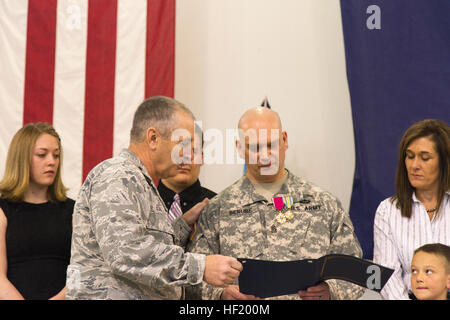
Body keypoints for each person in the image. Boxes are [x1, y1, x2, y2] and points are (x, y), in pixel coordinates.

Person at [66, 96, 242, 300]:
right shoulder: (118, 175)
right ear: (153, 138)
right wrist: (200, 267)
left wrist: (182, 226)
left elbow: (144, 241)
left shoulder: (142, 183)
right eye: (182, 143)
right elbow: (125, 252)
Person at [186, 106, 364, 300]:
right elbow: (191, 278)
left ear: (285, 140)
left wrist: (331, 291)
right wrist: (219, 295)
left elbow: (355, 270)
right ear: (239, 147)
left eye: (271, 144)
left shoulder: (324, 204)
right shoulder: (217, 210)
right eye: (255, 147)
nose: (264, 155)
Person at [373, 119, 450, 300]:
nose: (414, 165)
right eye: (409, 156)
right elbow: (386, 277)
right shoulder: (388, 210)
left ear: (444, 162)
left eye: (425, 158)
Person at [0, 123, 75, 300]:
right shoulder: (3, 210)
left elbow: (82, 272)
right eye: (42, 155)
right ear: (22, 158)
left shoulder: (73, 211)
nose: (51, 161)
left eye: (56, 155)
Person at [157, 124, 216, 246]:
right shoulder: (140, 203)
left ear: (203, 157)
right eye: (176, 150)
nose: (183, 158)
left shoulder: (216, 205)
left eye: (193, 151)